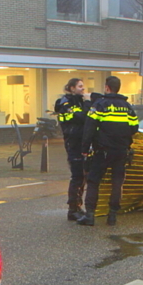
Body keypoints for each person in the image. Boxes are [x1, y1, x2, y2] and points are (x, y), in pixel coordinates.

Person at [76, 76, 139, 227]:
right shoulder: (127, 106)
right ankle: (112, 216)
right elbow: (134, 127)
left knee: (93, 181)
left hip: (102, 150)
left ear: (107, 88)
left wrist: (85, 149)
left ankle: (90, 215)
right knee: (117, 183)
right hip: (121, 151)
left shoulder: (99, 105)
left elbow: (89, 127)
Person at [53, 78, 97, 221]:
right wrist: (88, 102)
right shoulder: (66, 103)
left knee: (82, 176)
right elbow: (82, 117)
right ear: (72, 88)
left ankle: (77, 207)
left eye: (83, 86)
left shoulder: (77, 101)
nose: (83, 89)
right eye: (80, 86)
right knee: (77, 176)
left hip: (80, 142)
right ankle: (73, 209)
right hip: (73, 142)